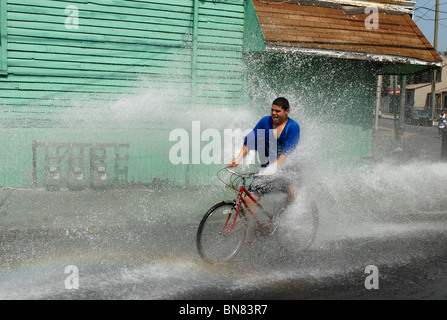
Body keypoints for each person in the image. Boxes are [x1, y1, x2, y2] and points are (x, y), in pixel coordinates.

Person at [229, 97, 301, 241]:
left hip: (289, 169)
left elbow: (286, 155)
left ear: (287, 111)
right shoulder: (265, 122)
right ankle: (250, 231)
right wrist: (237, 159)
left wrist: (272, 168)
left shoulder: (293, 127)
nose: (274, 113)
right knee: (249, 199)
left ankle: (282, 218)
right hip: (267, 167)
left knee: (294, 192)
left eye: (278, 111)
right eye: (272, 110)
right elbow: (249, 141)